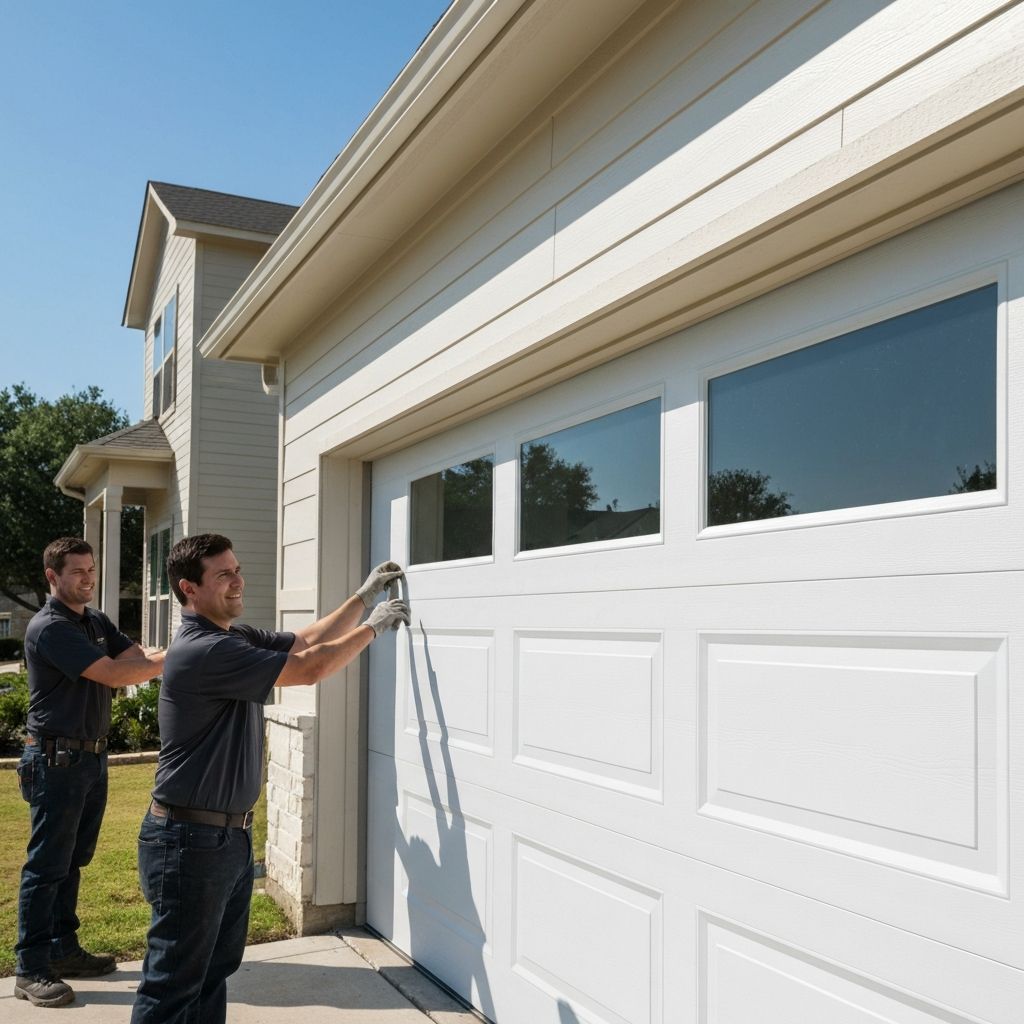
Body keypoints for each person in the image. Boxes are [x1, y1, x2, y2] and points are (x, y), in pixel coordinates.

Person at [130, 533, 410, 1024]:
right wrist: (373, 628)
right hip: (189, 843)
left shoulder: (230, 638)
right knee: (172, 985)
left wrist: (362, 598)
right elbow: (310, 667)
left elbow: (305, 640)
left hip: (223, 839)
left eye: (237, 569)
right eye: (223, 574)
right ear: (188, 589)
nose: (238, 580)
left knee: (210, 974)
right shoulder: (204, 650)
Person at [15, 537, 166, 1009]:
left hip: (90, 759)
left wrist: (140, 662)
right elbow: (117, 674)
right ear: (52, 577)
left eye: (91, 569)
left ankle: (63, 948)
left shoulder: (95, 621)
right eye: (78, 571)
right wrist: (184, 653)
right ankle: (30, 968)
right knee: (46, 866)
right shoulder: (50, 627)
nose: (88, 578)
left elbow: (132, 657)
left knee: (72, 861)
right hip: (55, 761)